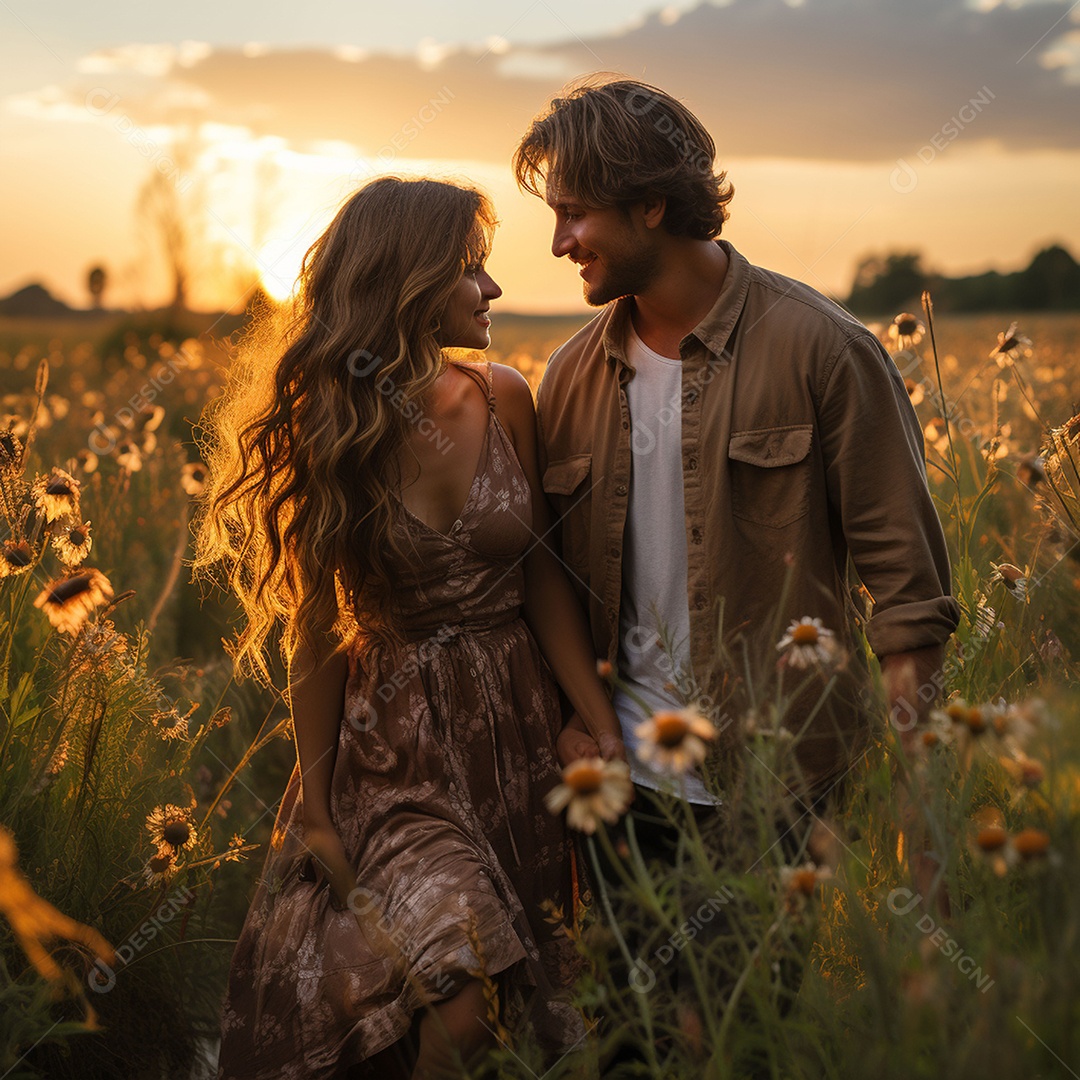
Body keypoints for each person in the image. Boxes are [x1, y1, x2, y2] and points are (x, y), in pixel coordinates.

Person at [194, 177, 624, 1080]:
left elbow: (540, 579)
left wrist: (597, 716)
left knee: (517, 997)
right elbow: (313, 631)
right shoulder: (330, 429)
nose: (494, 290)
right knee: (461, 1000)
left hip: (514, 733)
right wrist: (314, 803)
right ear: (414, 281)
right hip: (396, 750)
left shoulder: (504, 395)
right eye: (473, 269)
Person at [513, 77, 960, 895]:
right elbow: (549, 589)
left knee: (753, 1021)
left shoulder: (824, 350)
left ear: (650, 203)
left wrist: (920, 818)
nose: (559, 242)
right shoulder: (569, 377)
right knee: (630, 1025)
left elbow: (908, 602)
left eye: (573, 213)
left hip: (782, 788)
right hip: (616, 792)